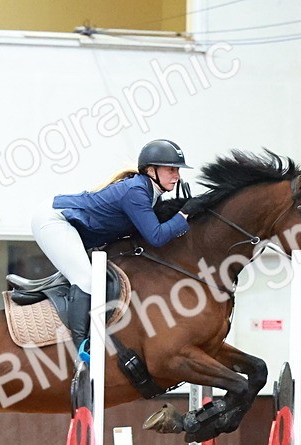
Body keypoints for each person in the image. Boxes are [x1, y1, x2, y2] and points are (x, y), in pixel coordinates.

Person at [31, 139, 198, 358]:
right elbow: (156, 237)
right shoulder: (136, 192)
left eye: (177, 170)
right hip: (53, 219)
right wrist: (184, 214)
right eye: (171, 170)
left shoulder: (150, 192)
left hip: (65, 219)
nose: (176, 175)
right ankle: (81, 351)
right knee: (86, 280)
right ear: (151, 170)